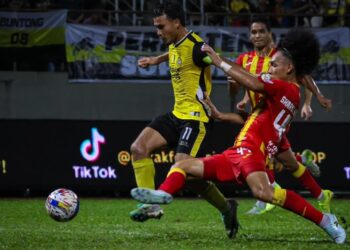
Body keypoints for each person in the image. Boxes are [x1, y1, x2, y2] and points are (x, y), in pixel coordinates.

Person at [130, 28, 346, 244]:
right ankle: (161, 196)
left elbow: (252, 82)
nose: (269, 68)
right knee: (183, 166)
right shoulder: (286, 96)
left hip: (251, 153)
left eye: (274, 65)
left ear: (289, 68)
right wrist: (222, 112)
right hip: (236, 153)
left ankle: (325, 220)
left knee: (264, 193)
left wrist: (218, 62)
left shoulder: (284, 88)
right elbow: (257, 121)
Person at [129, 0, 241, 238]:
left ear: (177, 23)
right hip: (176, 114)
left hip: (196, 119)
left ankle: (226, 207)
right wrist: (154, 61)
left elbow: (218, 61)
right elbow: (172, 52)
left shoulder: (198, 47)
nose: (158, 32)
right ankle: (151, 205)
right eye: (156, 27)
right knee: (138, 148)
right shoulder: (174, 43)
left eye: (161, 27)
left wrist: (239, 78)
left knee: (187, 171)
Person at [228, 17, 333, 215]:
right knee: (290, 163)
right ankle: (319, 191)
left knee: (261, 156)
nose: (257, 35)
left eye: (261, 31)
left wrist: (314, 99)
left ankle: (264, 199)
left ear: (270, 34)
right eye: (253, 32)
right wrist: (242, 98)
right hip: (258, 115)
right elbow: (247, 84)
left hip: (274, 117)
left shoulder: (280, 57)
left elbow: (303, 76)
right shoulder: (245, 59)